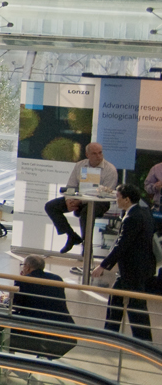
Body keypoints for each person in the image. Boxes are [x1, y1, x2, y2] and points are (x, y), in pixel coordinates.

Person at [99, 183, 154, 341]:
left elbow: (121, 245)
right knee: (116, 296)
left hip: (134, 268)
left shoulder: (132, 217)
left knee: (136, 304)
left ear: (126, 199)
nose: (116, 199)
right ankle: (110, 332)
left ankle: (143, 339)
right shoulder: (143, 212)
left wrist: (103, 265)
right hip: (137, 267)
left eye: (118, 197)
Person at [45, 142, 119, 254]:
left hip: (100, 201)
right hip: (79, 198)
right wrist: (69, 200)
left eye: (100, 153)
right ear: (87, 154)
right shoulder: (80, 165)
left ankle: (87, 248)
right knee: (50, 206)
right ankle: (71, 235)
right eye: (94, 154)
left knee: (86, 213)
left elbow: (105, 193)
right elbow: (71, 186)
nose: (98, 156)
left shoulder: (110, 170)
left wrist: (80, 201)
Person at [9, 254, 72, 328]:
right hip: (62, 322)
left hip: (33, 322)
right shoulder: (57, 278)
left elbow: (16, 305)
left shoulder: (22, 281)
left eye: (23, 265)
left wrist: (7, 299)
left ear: (27, 267)